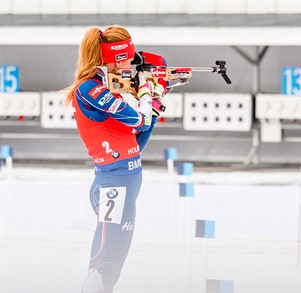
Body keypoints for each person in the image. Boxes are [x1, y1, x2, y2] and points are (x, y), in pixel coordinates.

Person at [63, 25, 165, 293]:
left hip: (128, 178)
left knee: (113, 266)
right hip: (113, 182)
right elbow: (138, 120)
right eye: (127, 58)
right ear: (115, 58)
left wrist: (155, 96)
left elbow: (136, 140)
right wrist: (145, 94)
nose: (131, 64)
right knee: (103, 265)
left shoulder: (112, 86)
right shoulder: (89, 89)